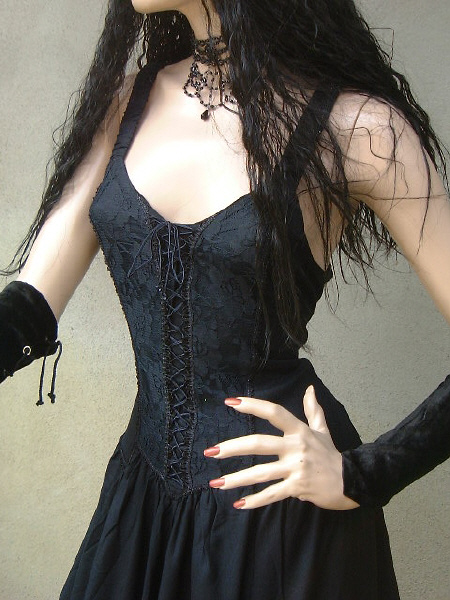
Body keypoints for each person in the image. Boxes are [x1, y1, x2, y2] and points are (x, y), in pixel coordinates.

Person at [1, 0, 449, 598]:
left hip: (278, 523)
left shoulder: (358, 127)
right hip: (143, 505)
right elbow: (29, 305)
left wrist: (365, 473)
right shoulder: (127, 104)